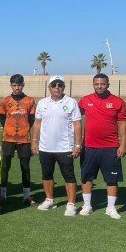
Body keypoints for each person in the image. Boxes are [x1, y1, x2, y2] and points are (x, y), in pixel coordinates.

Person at [31, 75, 82, 216]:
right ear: (49, 87)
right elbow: (37, 123)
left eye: (60, 85)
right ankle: (49, 199)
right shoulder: (42, 103)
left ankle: (71, 204)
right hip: (45, 147)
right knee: (46, 175)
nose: (57, 87)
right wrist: (34, 141)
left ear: (64, 87)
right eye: (54, 85)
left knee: (69, 176)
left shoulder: (71, 102)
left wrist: (77, 145)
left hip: (65, 148)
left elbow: (77, 124)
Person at [78, 74, 126, 219]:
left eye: (103, 84)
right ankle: (87, 205)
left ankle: (110, 208)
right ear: (93, 85)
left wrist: (123, 145)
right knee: (86, 177)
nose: (100, 86)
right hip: (89, 147)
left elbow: (122, 124)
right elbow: (74, 118)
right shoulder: (85, 100)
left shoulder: (118, 102)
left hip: (111, 147)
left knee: (112, 179)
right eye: (97, 84)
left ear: (108, 84)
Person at [0, 74, 36, 205]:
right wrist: (9, 130)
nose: (17, 88)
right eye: (14, 85)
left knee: (25, 167)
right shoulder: (5, 101)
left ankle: (26, 196)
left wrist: (23, 130)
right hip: (7, 138)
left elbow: (31, 119)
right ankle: (3, 195)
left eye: (19, 85)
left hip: (24, 139)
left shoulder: (30, 101)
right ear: (11, 86)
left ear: (23, 85)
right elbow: (2, 119)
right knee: (5, 166)